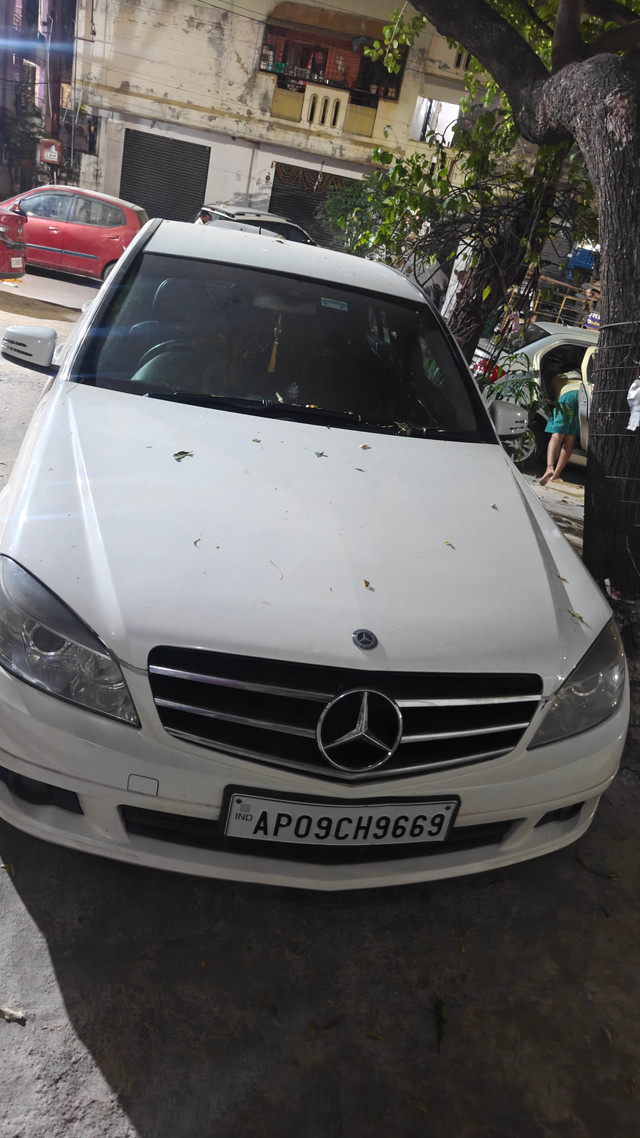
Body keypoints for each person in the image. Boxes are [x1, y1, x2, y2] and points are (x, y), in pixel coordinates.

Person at [539, 386, 580, 486]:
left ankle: (549, 468)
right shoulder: (579, 380)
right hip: (582, 397)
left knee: (557, 433)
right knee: (571, 437)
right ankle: (556, 474)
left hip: (567, 396)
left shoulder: (557, 380)